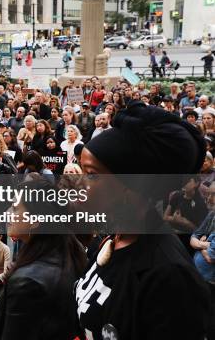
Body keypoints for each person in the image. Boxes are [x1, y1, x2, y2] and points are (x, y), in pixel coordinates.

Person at [76, 101, 211, 339]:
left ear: (132, 188)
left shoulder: (169, 278)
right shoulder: (110, 240)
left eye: (92, 175)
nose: (79, 186)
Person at [0, 178, 87, 340]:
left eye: (15, 209)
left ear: (35, 220)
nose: (7, 213)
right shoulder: (69, 249)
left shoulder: (27, 281)